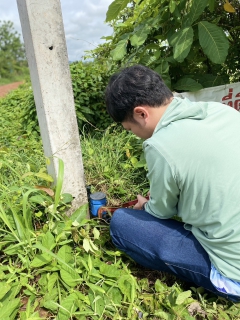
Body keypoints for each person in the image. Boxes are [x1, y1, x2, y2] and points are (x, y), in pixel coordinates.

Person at [105, 64, 240, 302]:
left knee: (122, 224)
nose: (133, 134)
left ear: (141, 113)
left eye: (129, 128)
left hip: (234, 273)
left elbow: (162, 212)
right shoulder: (223, 112)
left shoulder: (160, 145)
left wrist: (146, 206)